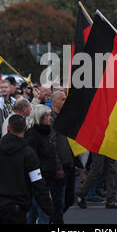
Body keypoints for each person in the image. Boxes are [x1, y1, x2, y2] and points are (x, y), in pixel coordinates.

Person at [0, 115, 54, 223]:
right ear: (25, 129)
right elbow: (37, 182)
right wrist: (47, 207)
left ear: (8, 128)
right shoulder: (28, 153)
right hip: (16, 209)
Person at [24, 104, 58, 224]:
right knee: (42, 213)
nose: (50, 118)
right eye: (47, 115)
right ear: (40, 117)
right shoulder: (32, 136)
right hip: (39, 182)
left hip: (48, 179)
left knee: (33, 213)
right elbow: (31, 161)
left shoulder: (47, 133)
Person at [49, 91, 76, 222]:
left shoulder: (66, 117)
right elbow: (53, 144)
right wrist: (58, 166)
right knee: (58, 201)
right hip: (60, 166)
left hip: (70, 162)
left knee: (69, 200)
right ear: (54, 102)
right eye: (62, 99)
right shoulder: (51, 119)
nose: (65, 102)